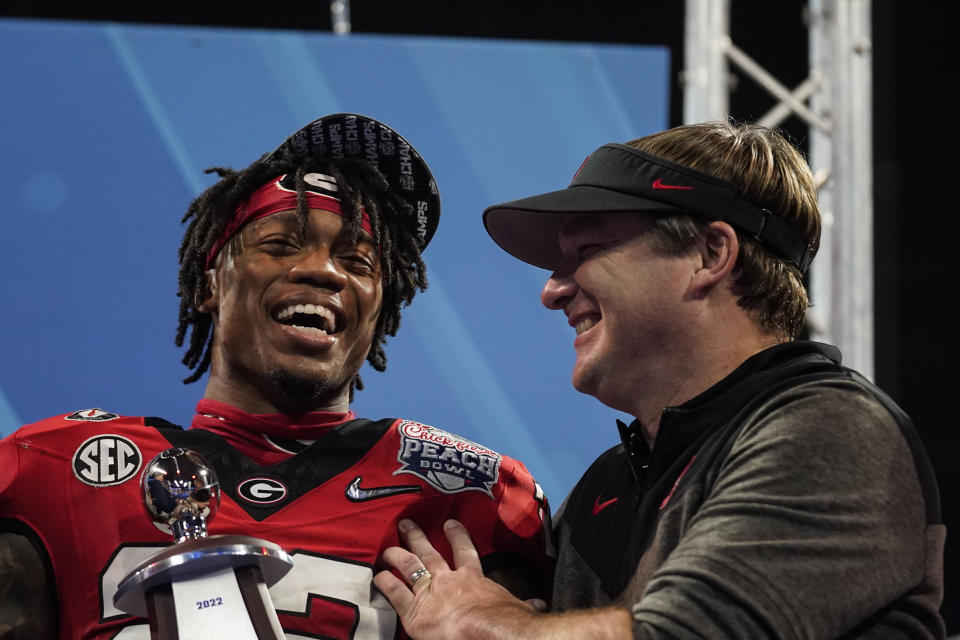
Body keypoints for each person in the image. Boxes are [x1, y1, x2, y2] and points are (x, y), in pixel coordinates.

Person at [373, 120, 946, 638]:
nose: (552, 290)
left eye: (587, 249)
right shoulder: (607, 485)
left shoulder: (832, 431)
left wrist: (485, 625)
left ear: (709, 253)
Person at [0, 113, 551, 639]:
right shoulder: (51, 471)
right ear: (209, 283)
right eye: (280, 244)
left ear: (380, 309)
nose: (322, 269)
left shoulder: (472, 493)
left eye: (359, 261)